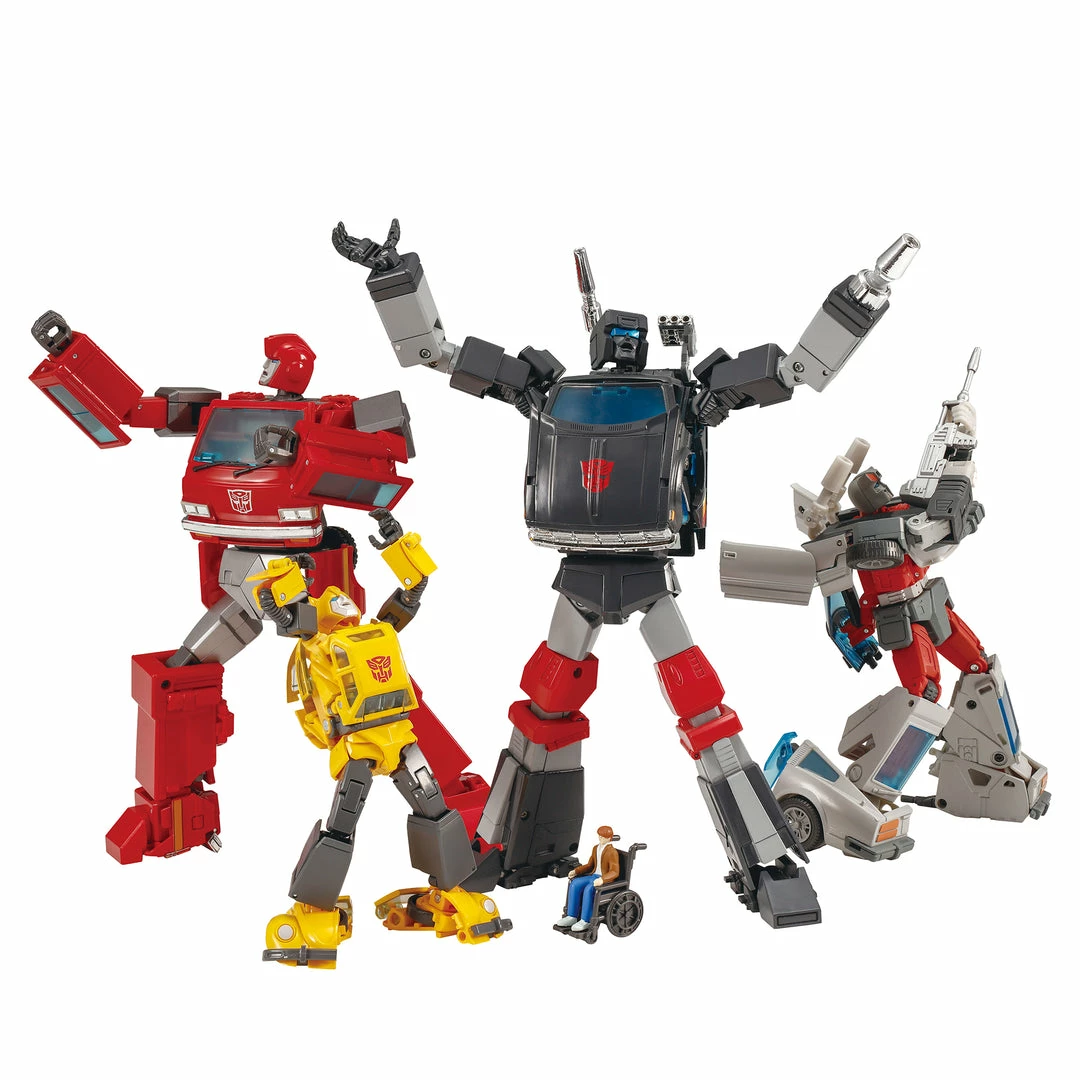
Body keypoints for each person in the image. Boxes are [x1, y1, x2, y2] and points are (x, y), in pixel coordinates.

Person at [556, 826, 620, 932]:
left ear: (609, 838)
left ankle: (586, 920)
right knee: (575, 883)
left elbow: (614, 871)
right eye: (599, 835)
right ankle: (571, 916)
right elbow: (590, 865)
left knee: (589, 889)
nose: (600, 838)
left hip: (604, 879)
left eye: (603, 836)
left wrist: (603, 879)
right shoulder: (596, 848)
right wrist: (576, 871)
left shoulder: (612, 852)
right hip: (593, 876)